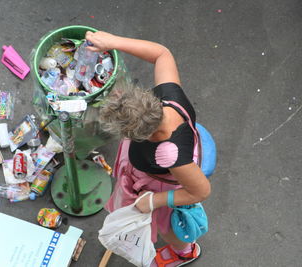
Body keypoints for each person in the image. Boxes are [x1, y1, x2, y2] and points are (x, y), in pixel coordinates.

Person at [86, 31, 211, 267]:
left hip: (160, 183)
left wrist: (154, 201)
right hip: (150, 165)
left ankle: (185, 251)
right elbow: (161, 53)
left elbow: (201, 191)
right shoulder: (168, 97)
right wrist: (112, 42)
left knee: (168, 225)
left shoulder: (169, 154)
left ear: (142, 136)